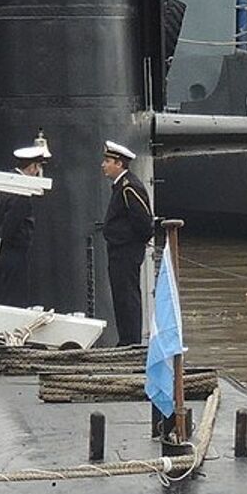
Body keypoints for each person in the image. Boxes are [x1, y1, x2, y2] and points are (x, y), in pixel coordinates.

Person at [99, 140, 153, 347]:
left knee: (127, 296)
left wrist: (133, 242)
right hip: (119, 250)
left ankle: (131, 342)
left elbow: (143, 221)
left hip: (126, 251)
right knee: (121, 296)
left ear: (119, 164)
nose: (104, 165)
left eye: (108, 161)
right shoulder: (121, 186)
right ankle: (126, 340)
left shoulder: (129, 187)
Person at [0, 134, 47, 308]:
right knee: (13, 299)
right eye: (38, 167)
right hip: (13, 253)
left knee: (3, 294)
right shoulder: (21, 192)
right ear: (33, 166)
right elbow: (10, 226)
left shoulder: (7, 182)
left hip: (3, 253)